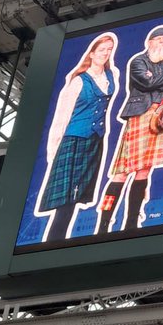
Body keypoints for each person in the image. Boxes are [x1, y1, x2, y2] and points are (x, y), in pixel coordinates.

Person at [96, 25, 163, 234]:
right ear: (149, 42)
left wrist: (157, 77)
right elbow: (146, 83)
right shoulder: (138, 61)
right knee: (122, 172)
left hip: (161, 116)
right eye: (159, 39)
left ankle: (131, 223)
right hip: (141, 114)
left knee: (145, 170)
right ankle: (104, 222)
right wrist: (160, 76)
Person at [37, 33, 119, 241]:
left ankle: (57, 242)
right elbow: (61, 118)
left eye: (109, 49)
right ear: (92, 53)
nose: (106, 53)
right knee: (66, 198)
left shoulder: (111, 76)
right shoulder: (78, 82)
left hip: (95, 140)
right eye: (102, 49)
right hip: (73, 141)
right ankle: (54, 242)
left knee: (77, 195)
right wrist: (53, 152)